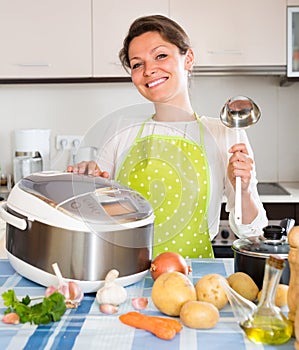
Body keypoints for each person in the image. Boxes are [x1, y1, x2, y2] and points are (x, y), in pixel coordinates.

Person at [68, 14, 268, 258]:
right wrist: (88, 182)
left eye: (160, 55)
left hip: (193, 279)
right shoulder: (121, 132)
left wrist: (244, 189)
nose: (149, 70)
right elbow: (94, 217)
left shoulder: (224, 132)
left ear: (188, 59)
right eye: (137, 64)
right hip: (125, 275)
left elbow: (250, 232)